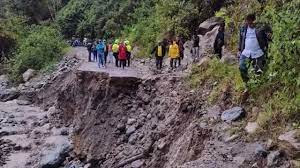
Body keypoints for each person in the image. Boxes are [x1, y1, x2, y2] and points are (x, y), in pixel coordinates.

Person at [238, 14, 272, 83]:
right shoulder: (243, 29)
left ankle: (257, 86)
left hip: (258, 52)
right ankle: (246, 84)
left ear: (254, 21)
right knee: (242, 67)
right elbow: (241, 40)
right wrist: (239, 50)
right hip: (246, 52)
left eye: (252, 22)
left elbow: (269, 33)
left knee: (259, 73)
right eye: (248, 22)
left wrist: (269, 35)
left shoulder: (260, 27)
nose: (250, 24)